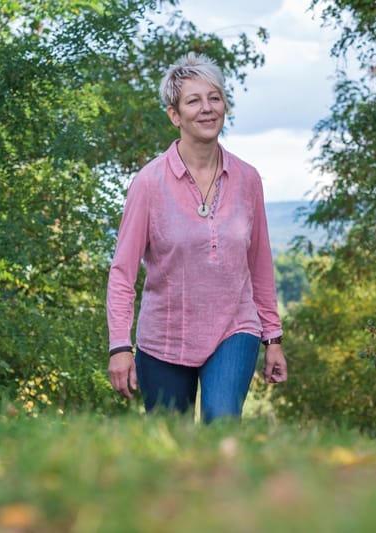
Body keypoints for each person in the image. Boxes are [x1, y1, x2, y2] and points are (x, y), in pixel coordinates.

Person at [105, 52, 287, 423]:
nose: (207, 109)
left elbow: (260, 266)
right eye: (193, 101)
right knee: (173, 443)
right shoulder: (149, 183)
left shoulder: (248, 179)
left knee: (222, 422)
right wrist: (120, 346)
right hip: (165, 337)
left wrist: (273, 338)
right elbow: (123, 272)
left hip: (234, 328)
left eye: (214, 98)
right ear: (175, 115)